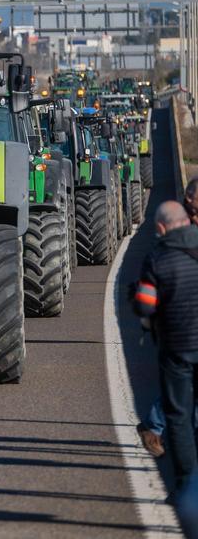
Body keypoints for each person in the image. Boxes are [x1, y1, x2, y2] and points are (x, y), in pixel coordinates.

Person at [132, 200, 198, 494]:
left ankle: (186, 482)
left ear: (160, 227)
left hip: (176, 348)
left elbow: (146, 306)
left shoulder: (157, 258)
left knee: (179, 417)